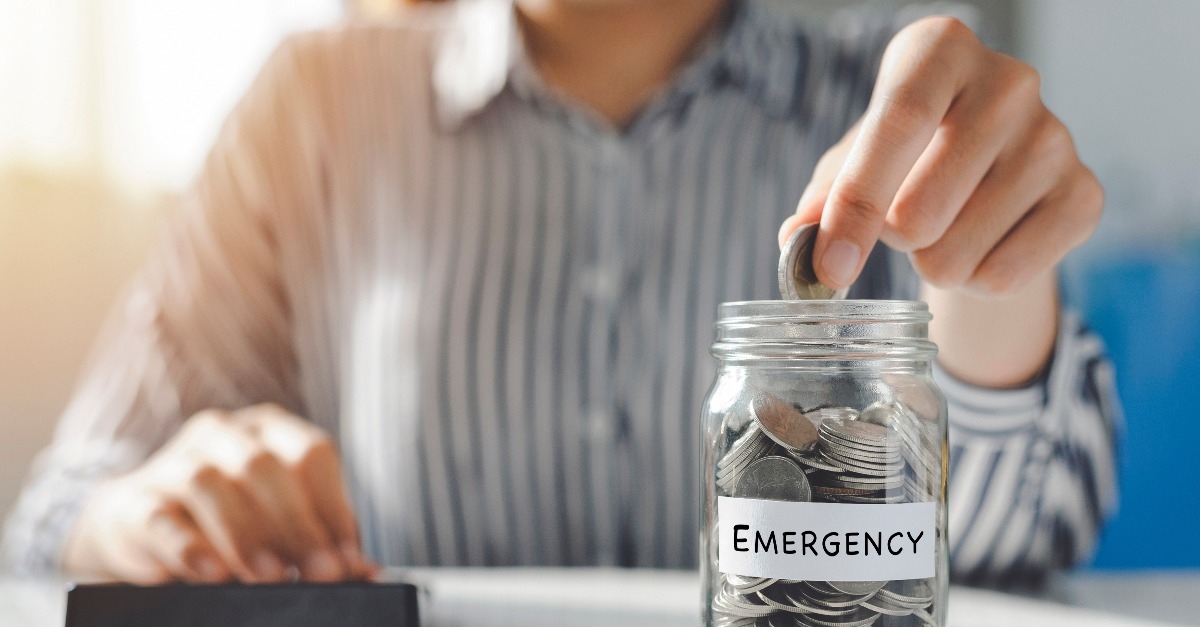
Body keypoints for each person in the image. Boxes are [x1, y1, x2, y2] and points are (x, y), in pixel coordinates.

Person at [3, 0, 1119, 589]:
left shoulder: (891, 115)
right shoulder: (315, 105)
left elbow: (1020, 552)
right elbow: (59, 507)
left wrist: (981, 284)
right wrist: (144, 511)